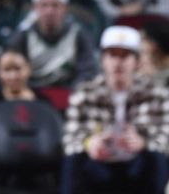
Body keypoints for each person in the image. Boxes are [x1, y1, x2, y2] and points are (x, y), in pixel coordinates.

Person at [62, 26, 169, 194]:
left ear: (136, 61)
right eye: (112, 55)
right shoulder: (84, 92)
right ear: (103, 59)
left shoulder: (156, 93)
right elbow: (69, 139)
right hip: (98, 164)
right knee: (73, 160)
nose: (118, 62)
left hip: (137, 164)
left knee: (157, 157)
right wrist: (89, 143)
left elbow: (165, 137)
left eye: (125, 55)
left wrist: (143, 143)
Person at [8, 0, 98, 88]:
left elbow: (88, 71)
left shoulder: (78, 34)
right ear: (35, 8)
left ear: (65, 8)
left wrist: (76, 90)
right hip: (32, 95)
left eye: (55, 5)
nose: (49, 11)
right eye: (44, 5)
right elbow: (11, 69)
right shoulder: (23, 35)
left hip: (69, 93)